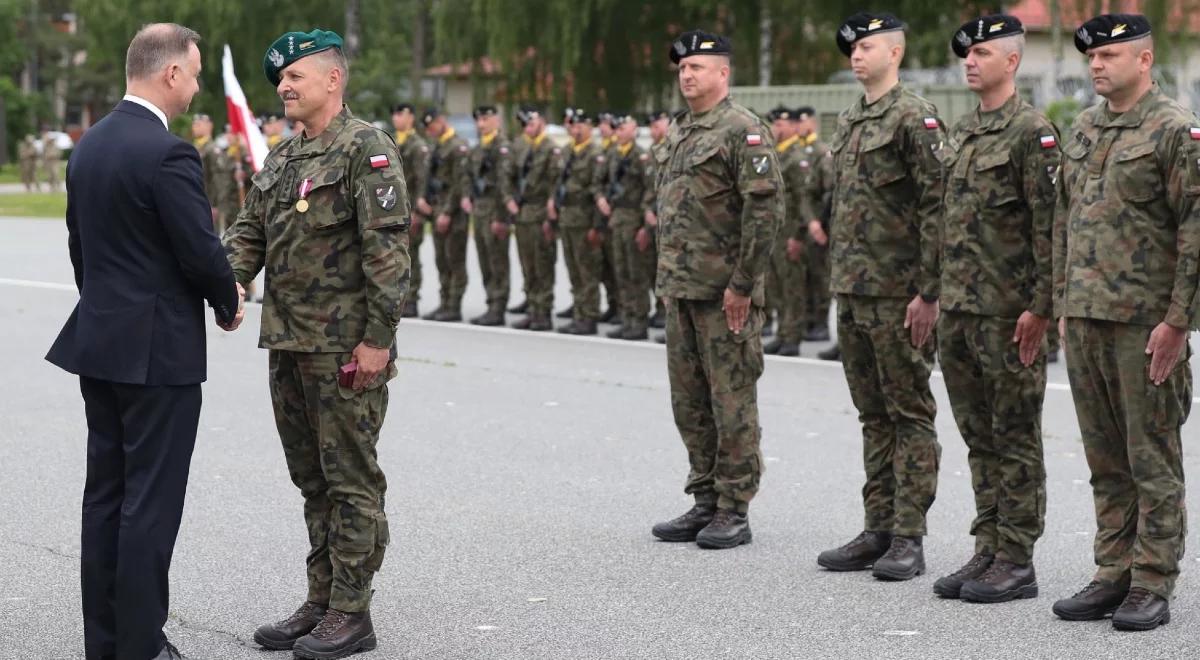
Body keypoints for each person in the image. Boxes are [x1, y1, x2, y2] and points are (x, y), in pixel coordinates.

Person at [45, 23, 243, 660]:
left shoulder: (91, 146)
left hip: (100, 341)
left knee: (105, 495)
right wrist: (228, 297)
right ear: (171, 73)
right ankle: (140, 646)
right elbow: (199, 250)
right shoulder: (169, 154)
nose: (197, 87)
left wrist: (111, 308)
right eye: (195, 72)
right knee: (150, 504)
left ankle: (104, 642)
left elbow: (83, 253)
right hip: (157, 352)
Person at [223, 29, 410, 657]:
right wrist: (228, 284)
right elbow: (249, 232)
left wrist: (378, 342)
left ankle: (353, 612)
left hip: (345, 349)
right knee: (312, 479)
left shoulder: (367, 149)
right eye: (280, 78)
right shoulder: (282, 158)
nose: (283, 86)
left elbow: (389, 254)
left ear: (333, 79)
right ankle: (322, 598)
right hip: (289, 343)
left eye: (295, 76)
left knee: (351, 479)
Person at [1050, 13, 1197, 632]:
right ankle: (1113, 571)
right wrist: (1061, 303)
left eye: (1110, 56)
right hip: (1086, 317)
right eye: (1092, 58)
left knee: (1151, 455)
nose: (1097, 65)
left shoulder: (1175, 131)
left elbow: (1194, 228)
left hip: (1144, 323)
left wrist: (1178, 321)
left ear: (1144, 60)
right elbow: (1064, 221)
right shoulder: (1083, 128)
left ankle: (1153, 581)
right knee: (1105, 457)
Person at [816, 13, 946, 581]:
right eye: (852, 47)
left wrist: (929, 291)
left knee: (909, 413)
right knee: (873, 415)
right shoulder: (850, 120)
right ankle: (878, 526)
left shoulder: (914, 118)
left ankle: (909, 537)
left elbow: (938, 206)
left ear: (895, 53)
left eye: (867, 46)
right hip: (854, 290)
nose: (856, 54)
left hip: (900, 295)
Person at [932, 14, 1057, 604]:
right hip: (959, 310)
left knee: (1015, 436)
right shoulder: (961, 132)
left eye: (982, 52)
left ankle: (1017, 557)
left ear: (1012, 61)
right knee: (978, 435)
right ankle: (987, 544)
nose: (970, 61)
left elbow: (1048, 226)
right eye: (967, 53)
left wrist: (1040, 308)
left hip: (1009, 315)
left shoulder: (1031, 132)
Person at [650, 30, 782, 550]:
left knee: (732, 401)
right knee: (690, 401)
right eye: (682, 68)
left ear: (723, 74)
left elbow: (765, 210)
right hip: (681, 290)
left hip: (725, 292)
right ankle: (704, 496)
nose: (687, 74)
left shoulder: (743, 130)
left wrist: (743, 284)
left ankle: (734, 506)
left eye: (698, 67)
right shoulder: (680, 131)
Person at [595, 112, 655, 340]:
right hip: (616, 219)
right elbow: (599, 183)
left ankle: (639, 321)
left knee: (636, 273)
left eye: (623, 128)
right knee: (620, 271)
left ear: (634, 131)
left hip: (634, 220)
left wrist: (644, 225)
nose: (619, 132)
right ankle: (626, 317)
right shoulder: (612, 155)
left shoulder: (641, 157)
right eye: (617, 128)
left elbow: (651, 189)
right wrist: (600, 198)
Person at [551, 107, 606, 335]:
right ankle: (579, 313)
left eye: (580, 125)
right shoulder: (566, 152)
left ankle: (589, 316)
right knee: (574, 269)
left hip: (584, 220)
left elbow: (597, 192)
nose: (576, 129)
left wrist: (596, 226)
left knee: (587, 271)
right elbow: (558, 183)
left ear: (589, 127)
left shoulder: (596, 155)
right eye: (572, 125)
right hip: (566, 219)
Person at [510, 105, 561, 331]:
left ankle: (543, 312)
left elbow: (555, 183)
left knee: (543, 265)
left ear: (541, 122)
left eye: (531, 123)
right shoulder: (521, 147)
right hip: (523, 214)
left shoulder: (550, 148)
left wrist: (551, 208)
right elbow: (511, 176)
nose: (528, 128)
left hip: (540, 213)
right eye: (525, 124)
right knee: (527, 264)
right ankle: (532, 308)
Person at [464, 105, 516, 326]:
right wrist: (467, 197)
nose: (481, 124)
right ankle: (490, 302)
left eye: (486, 119)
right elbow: (468, 176)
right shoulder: (478, 148)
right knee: (485, 260)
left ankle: (498, 306)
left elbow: (506, 186)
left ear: (496, 120)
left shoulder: (502, 148)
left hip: (495, 212)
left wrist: (502, 218)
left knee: (498, 262)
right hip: (480, 212)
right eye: (478, 120)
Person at [418, 107, 471, 322]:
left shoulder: (458, 147)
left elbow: (460, 184)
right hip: (437, 210)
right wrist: (423, 199)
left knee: (454, 260)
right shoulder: (437, 146)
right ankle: (444, 301)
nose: (430, 132)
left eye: (432, 127)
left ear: (442, 122)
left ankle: (454, 305)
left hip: (453, 213)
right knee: (441, 260)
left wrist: (447, 212)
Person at [763, 105, 806, 357]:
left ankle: (793, 336)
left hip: (791, 230)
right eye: (773, 125)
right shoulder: (776, 155)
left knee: (792, 286)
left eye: (779, 124)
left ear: (791, 126)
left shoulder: (797, 156)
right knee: (777, 285)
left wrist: (798, 235)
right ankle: (782, 332)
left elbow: (803, 199)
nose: (775, 129)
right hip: (775, 231)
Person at [794, 107, 835, 343]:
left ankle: (820, 321)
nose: (798, 127)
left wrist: (820, 223)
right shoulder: (799, 150)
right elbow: (808, 193)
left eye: (802, 122)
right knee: (808, 276)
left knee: (822, 278)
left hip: (826, 225)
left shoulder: (822, 152)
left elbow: (828, 193)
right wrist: (810, 222)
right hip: (811, 225)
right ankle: (810, 320)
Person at [392, 103, 431, 318]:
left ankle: (413, 298)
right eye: (395, 114)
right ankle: (400, 296)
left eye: (401, 114)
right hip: (395, 208)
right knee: (396, 256)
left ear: (411, 118)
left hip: (411, 209)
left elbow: (422, 180)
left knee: (411, 256)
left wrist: (417, 210)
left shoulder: (417, 145)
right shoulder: (395, 141)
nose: (397, 118)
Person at [192, 113, 226, 232]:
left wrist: (214, 205)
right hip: (196, 200)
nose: (195, 127)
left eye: (199, 124)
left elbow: (217, 178)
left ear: (209, 126)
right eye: (194, 124)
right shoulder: (195, 147)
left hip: (208, 203)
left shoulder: (212, 149)